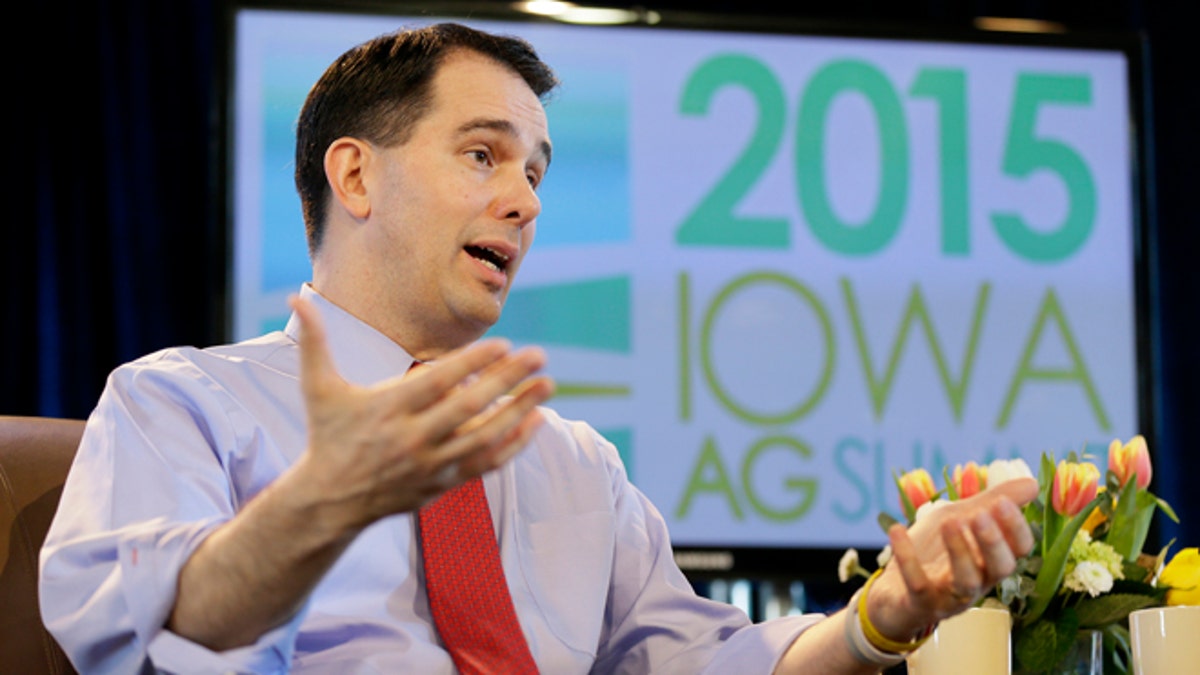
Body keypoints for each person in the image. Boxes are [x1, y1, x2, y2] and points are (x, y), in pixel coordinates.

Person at [39, 22, 1037, 674]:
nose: (525, 200)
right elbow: (140, 636)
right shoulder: (181, 402)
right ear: (354, 175)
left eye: (537, 170)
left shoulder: (572, 461)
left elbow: (703, 661)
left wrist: (885, 616)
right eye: (482, 155)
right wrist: (325, 499)